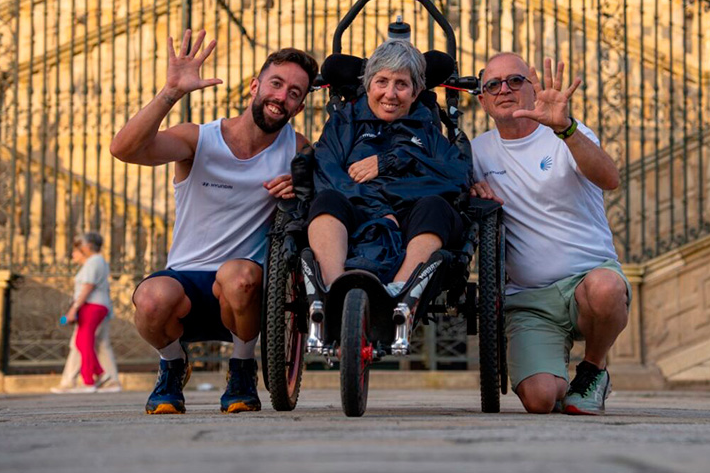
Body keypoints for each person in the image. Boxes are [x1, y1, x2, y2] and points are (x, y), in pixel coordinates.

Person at [110, 30, 317, 415]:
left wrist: (303, 185)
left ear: (299, 106)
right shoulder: (199, 139)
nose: (282, 97)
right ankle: (172, 365)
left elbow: (324, 200)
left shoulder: (298, 149)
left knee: (239, 277)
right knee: (150, 301)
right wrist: (170, 92)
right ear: (255, 85)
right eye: (276, 84)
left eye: (294, 93)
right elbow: (124, 150)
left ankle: (241, 369)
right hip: (185, 280)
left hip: (246, 290)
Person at [470, 53, 628, 415]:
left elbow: (610, 179)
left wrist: (566, 128)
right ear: (482, 100)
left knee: (606, 289)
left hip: (587, 281)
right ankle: (554, 368)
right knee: (541, 401)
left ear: (532, 86)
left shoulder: (566, 133)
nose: (504, 90)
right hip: (529, 300)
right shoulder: (477, 151)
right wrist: (471, 191)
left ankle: (592, 368)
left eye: (515, 81)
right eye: (493, 85)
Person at [307, 40, 472, 297]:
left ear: (416, 92)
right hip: (356, 213)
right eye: (382, 81)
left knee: (436, 207)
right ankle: (332, 293)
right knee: (327, 200)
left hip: (411, 221)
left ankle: (399, 295)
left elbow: (456, 176)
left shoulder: (427, 129)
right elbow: (327, 174)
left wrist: (393, 160)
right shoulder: (345, 122)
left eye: (402, 84)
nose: (390, 94)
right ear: (368, 84)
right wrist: (379, 209)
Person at [59, 231, 114, 392]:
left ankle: (89, 381)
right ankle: (101, 374)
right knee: (81, 342)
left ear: (88, 246)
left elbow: (87, 286)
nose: (77, 250)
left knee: (84, 342)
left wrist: (73, 309)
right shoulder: (98, 261)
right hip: (95, 305)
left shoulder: (94, 261)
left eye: (80, 246)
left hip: (92, 305)